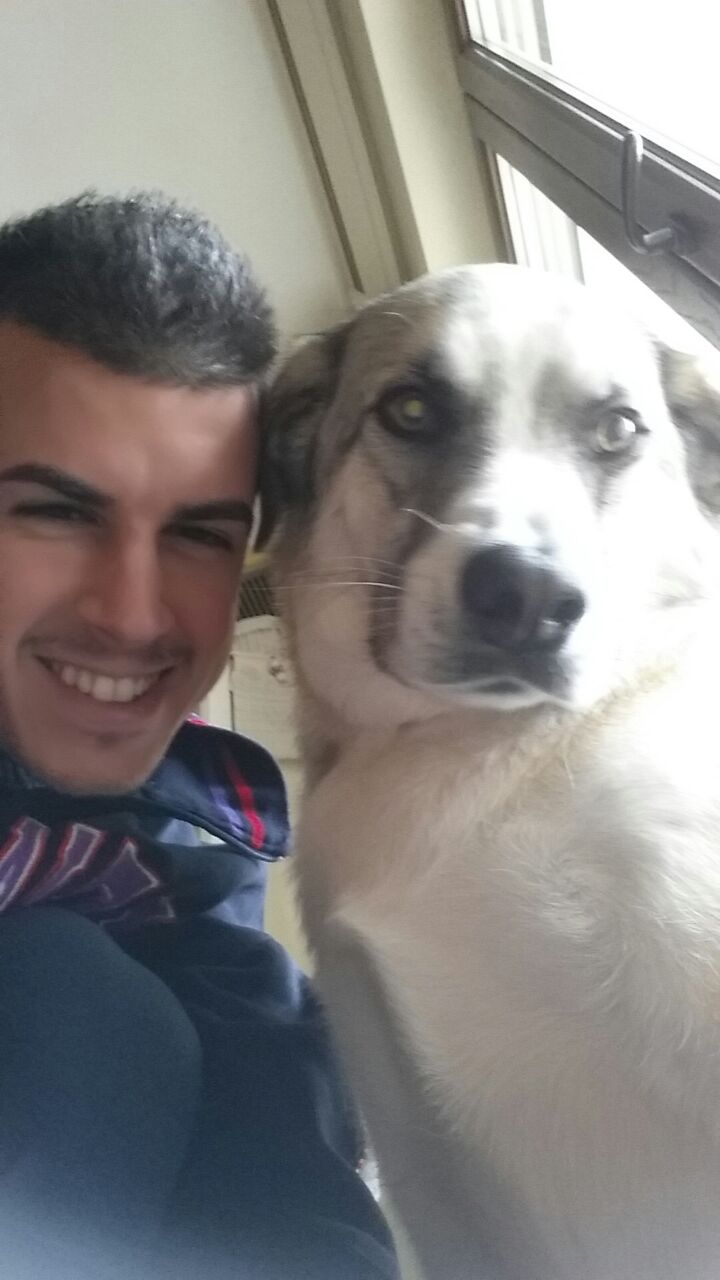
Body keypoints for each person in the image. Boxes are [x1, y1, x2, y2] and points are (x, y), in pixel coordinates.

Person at [0, 191, 399, 1280]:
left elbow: (263, 1097)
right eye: (56, 511)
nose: (134, 617)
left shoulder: (190, 824)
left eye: (198, 534)